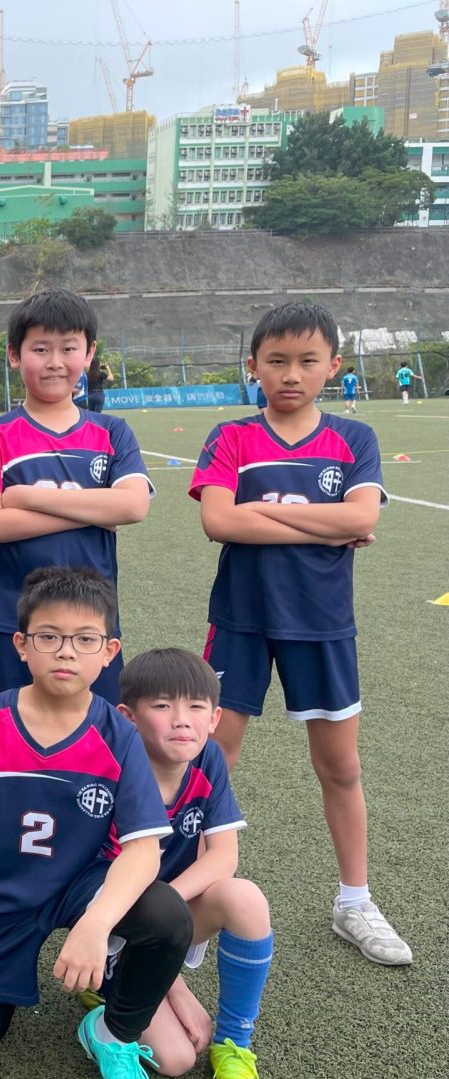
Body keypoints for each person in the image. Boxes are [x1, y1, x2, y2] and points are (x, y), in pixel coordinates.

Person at [0, 567, 191, 1079]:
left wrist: (96, 924)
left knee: (168, 916)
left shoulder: (117, 734)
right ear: (21, 645)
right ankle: (21, 957)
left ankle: (113, 1034)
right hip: (0, 891)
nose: (66, 651)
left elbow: (144, 850)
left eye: (85, 639)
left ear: (110, 652)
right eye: (49, 636)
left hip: (78, 883)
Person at [191, 301, 408, 968]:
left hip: (322, 624)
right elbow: (220, 522)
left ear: (332, 366)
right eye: (277, 361)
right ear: (252, 366)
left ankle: (355, 901)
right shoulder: (232, 437)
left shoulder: (354, 439)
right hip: (241, 621)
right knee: (210, 759)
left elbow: (361, 517)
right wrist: (327, 521)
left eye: (308, 361)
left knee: (340, 765)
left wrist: (262, 510)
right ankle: (189, 904)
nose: (291, 374)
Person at [89, 648, 271, 1079]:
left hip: (167, 919)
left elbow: (224, 856)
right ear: (128, 717)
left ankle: (234, 1044)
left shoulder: (208, 758)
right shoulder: (113, 771)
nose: (181, 720)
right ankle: (99, 1012)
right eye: (162, 705)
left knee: (245, 898)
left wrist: (169, 915)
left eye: (195, 707)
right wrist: (177, 986)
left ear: (214, 719)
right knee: (176, 1059)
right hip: (115, 927)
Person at [0, 289, 152, 707]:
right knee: (8, 725)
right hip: (11, 615)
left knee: (94, 727)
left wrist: (24, 496)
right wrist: (97, 510)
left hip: (91, 617)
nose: (55, 362)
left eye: (69, 348)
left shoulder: (112, 432)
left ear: (89, 352)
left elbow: (133, 506)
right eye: (40, 349)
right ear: (14, 354)